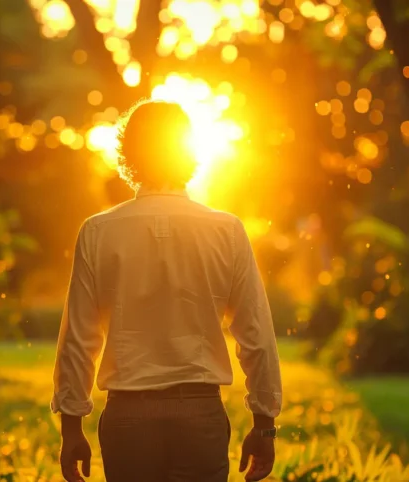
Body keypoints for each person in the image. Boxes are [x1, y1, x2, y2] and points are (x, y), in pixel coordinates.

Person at [51, 100, 282, 482]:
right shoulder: (226, 230)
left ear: (128, 153)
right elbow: (255, 334)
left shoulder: (97, 232)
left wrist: (71, 429)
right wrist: (264, 424)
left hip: (127, 419)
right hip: (200, 416)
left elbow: (79, 337)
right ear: (190, 152)